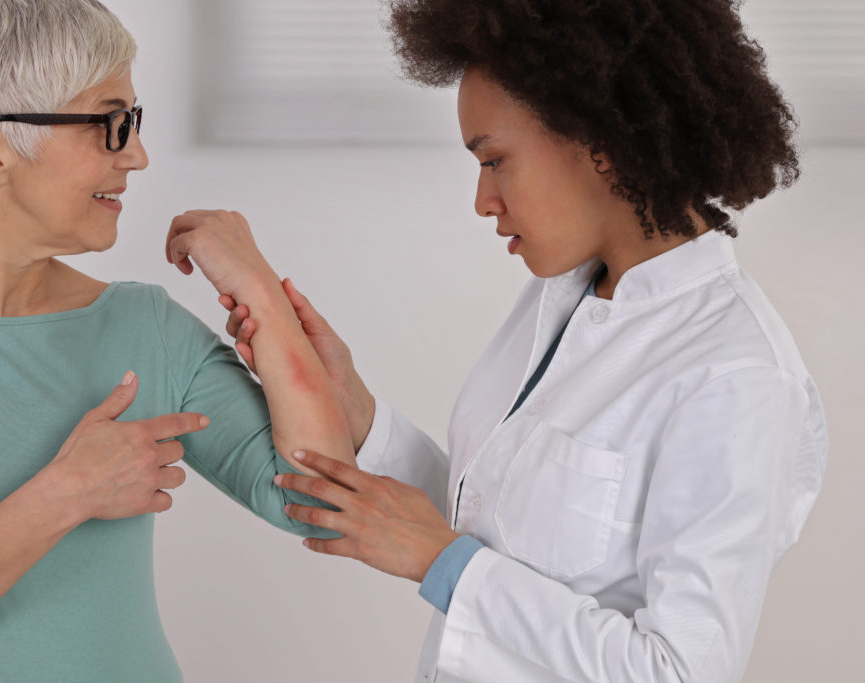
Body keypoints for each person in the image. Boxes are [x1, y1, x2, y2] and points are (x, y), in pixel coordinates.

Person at [210, 1, 828, 681]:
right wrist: (356, 410)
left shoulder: (735, 373)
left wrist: (444, 563)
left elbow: (677, 669)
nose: (482, 199)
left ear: (602, 141)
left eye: (495, 159)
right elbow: (505, 528)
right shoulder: (564, 294)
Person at [0, 1, 351, 681]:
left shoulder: (146, 325)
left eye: (134, 123)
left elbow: (322, 503)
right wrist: (66, 493)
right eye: (110, 124)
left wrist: (260, 291)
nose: (137, 155)